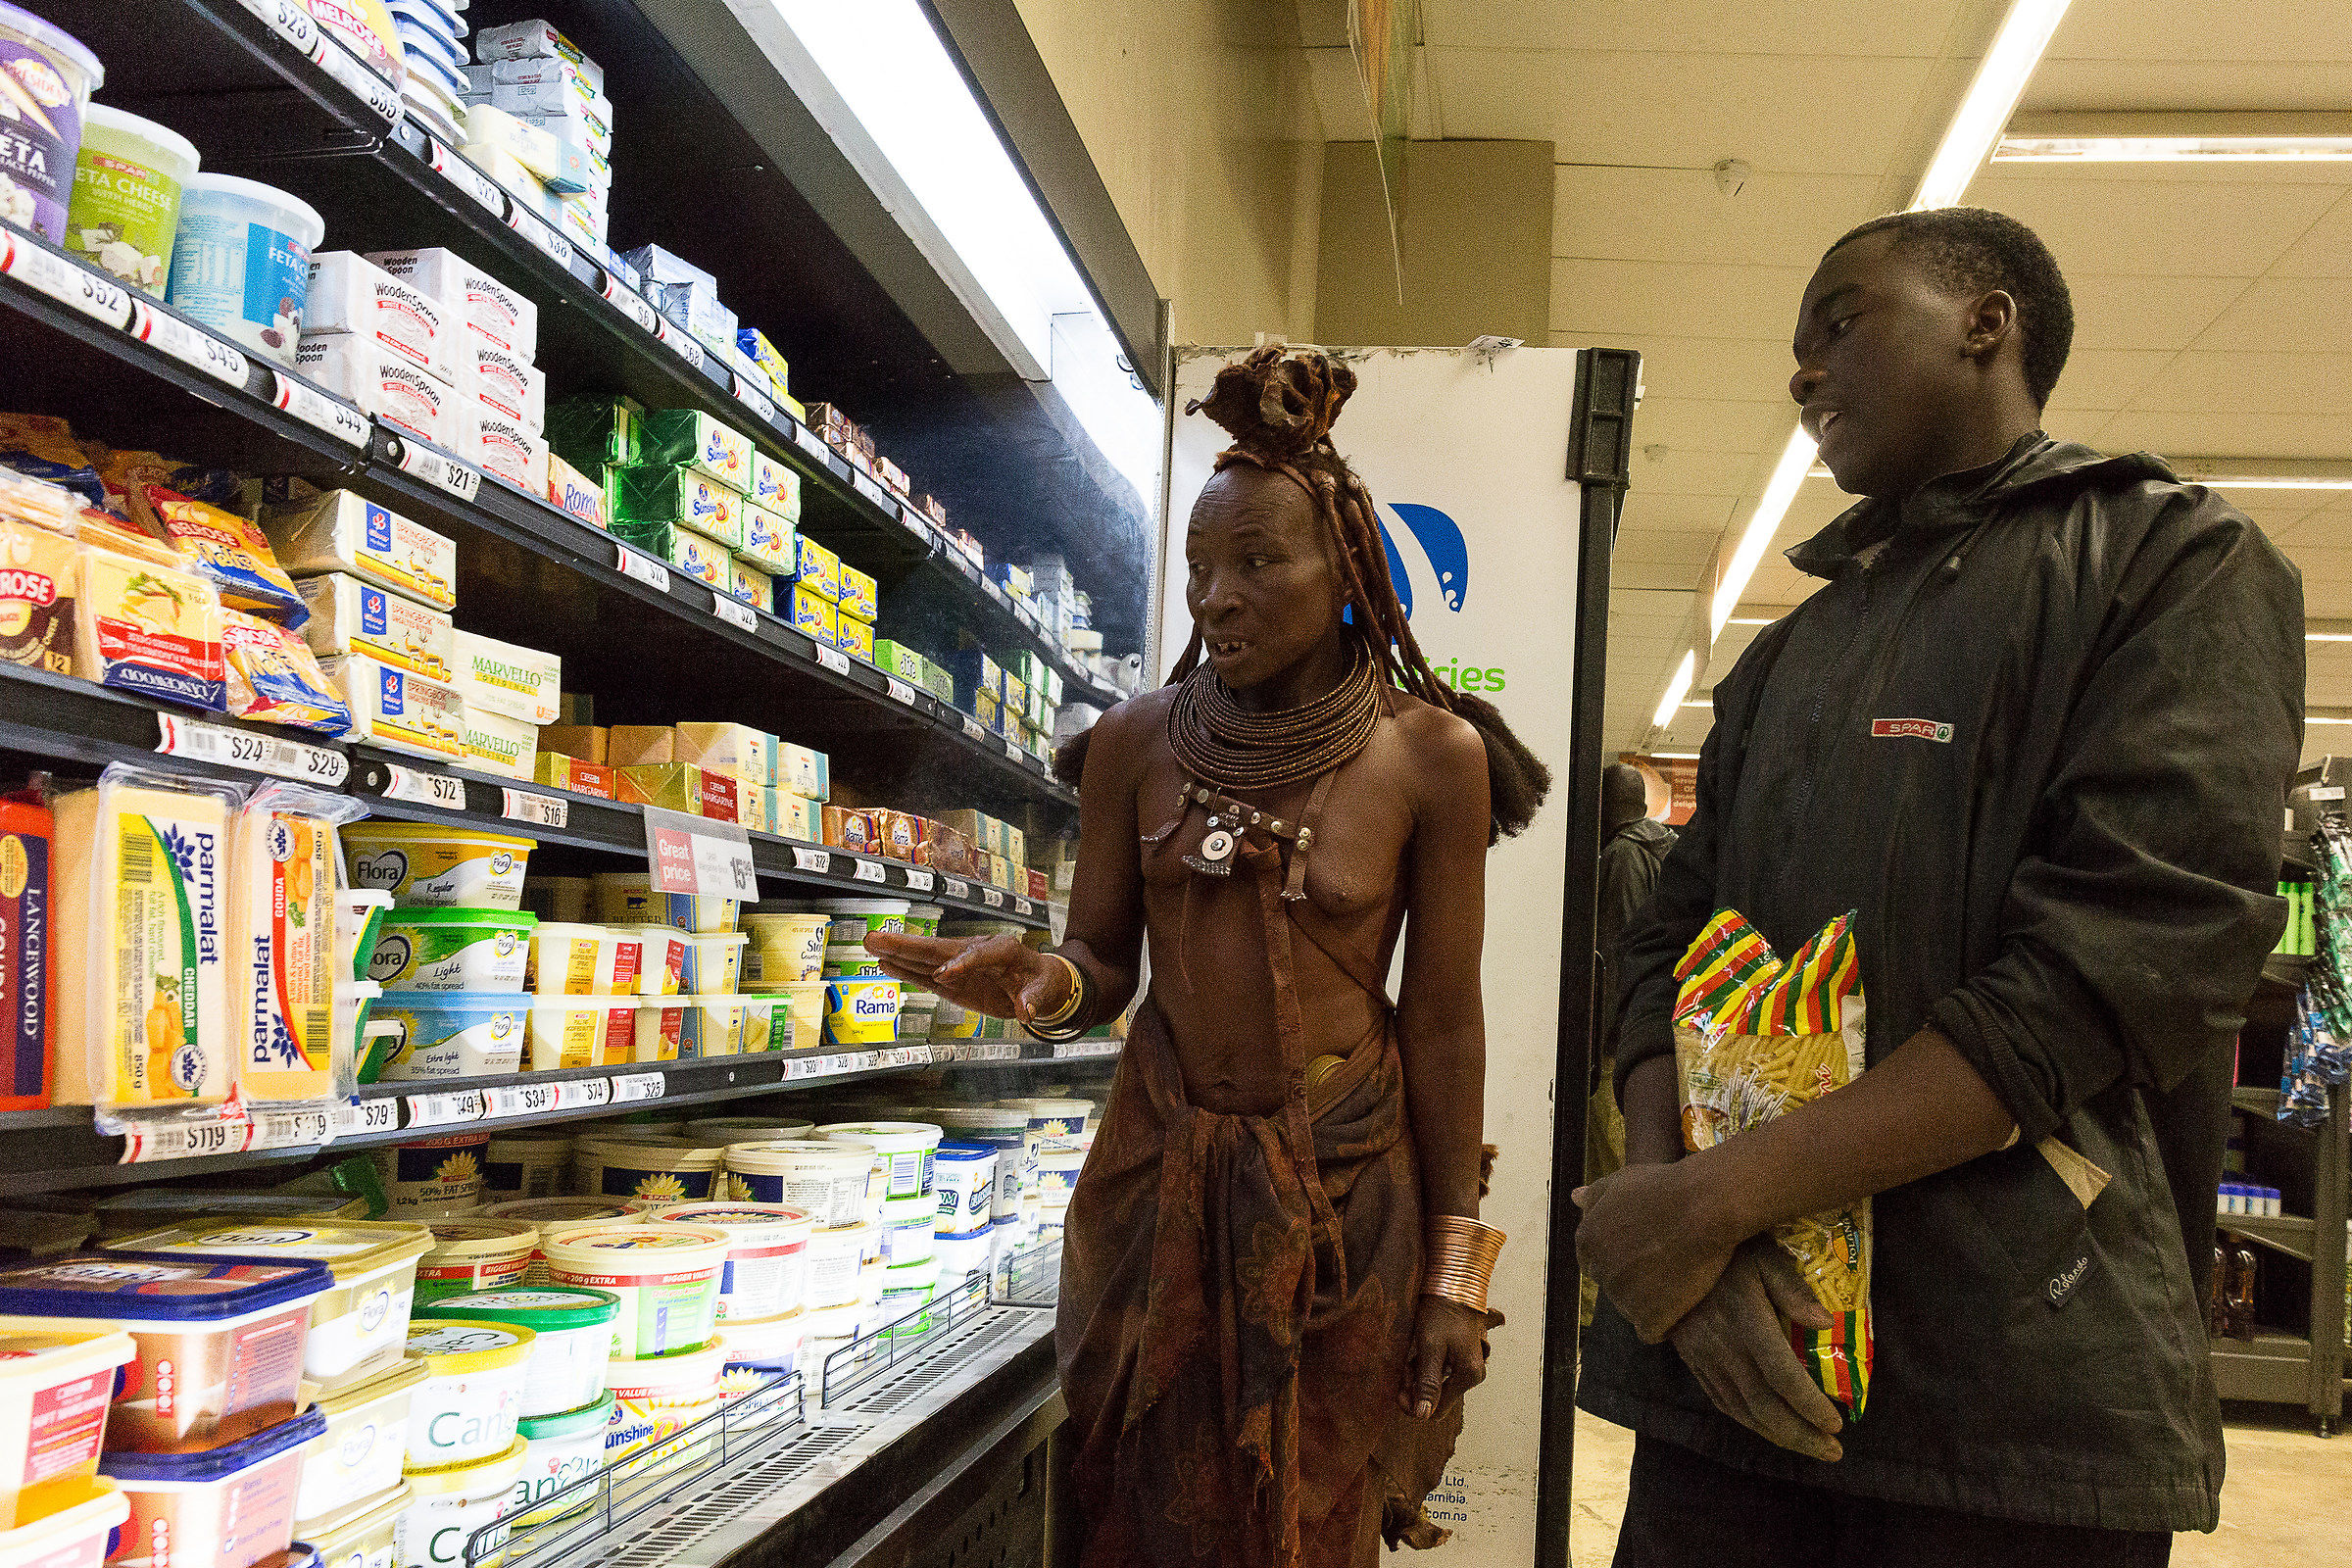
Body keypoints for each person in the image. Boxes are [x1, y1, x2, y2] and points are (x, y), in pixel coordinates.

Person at [1573, 207, 2303, 1567]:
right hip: (1729, 1378)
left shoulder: (2167, 565)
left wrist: (1709, 1205)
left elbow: (2111, 970)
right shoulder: (1788, 653)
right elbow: (1665, 945)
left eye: (1839, 321)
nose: (1803, 369)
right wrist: (1679, 1223)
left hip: (2009, 1408)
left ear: (1986, 323)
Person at [866, 345, 1550, 1568]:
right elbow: (1099, 960)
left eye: (1257, 562)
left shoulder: (1429, 757)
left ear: (1348, 574)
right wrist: (1046, 985)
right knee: (1138, 1513)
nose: (1216, 597)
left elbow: (1446, 1022)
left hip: (1346, 1203)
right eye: (1198, 567)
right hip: (1155, 1192)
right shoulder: (1135, 743)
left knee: (1315, 1521)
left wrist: (1455, 1270)